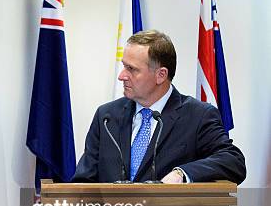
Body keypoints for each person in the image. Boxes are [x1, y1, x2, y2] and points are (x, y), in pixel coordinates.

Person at [71, 30, 246, 184]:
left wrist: (182, 173)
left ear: (161, 75)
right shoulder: (107, 116)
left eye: (131, 69)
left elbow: (233, 160)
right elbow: (83, 180)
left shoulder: (198, 116)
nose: (122, 76)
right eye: (124, 66)